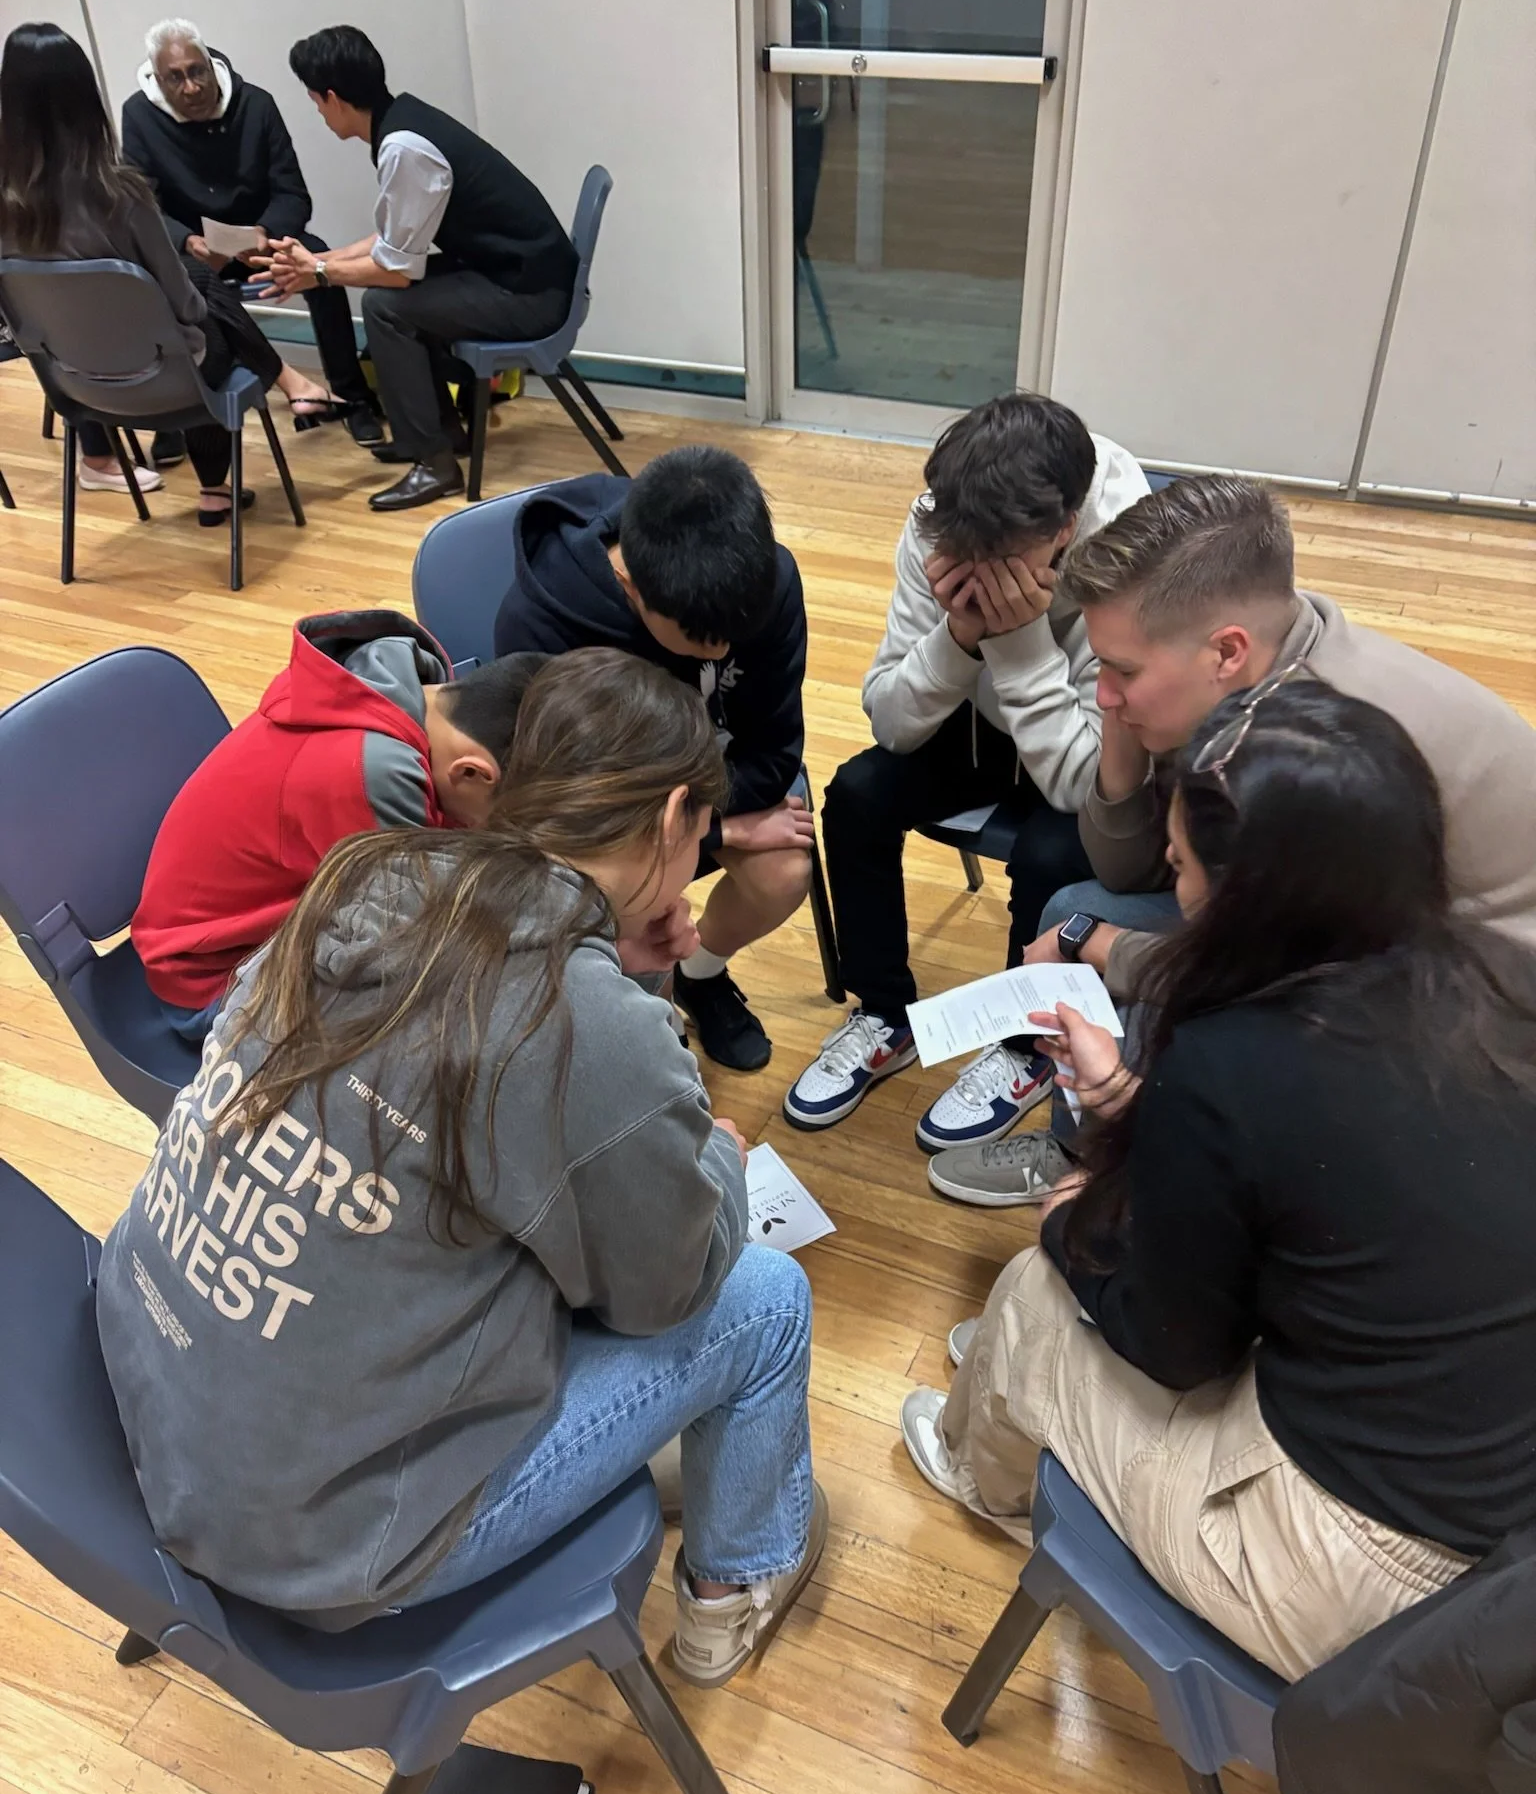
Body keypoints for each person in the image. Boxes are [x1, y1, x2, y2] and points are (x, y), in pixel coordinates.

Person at [98, 649, 826, 1685]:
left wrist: (627, 970)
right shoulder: (591, 1029)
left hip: (153, 1404)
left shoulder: (367, 872)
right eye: (702, 840)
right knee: (764, 1299)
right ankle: (733, 1588)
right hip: (323, 1542)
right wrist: (710, 1148)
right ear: (672, 819)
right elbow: (664, 1291)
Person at [902, 682, 1536, 1682]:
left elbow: (1175, 1346)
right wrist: (1126, 1096)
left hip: (1371, 1576)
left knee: (1031, 1294)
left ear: (1247, 899)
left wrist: (1067, 1223)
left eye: (1184, 864)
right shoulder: (1487, 992)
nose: (1166, 874)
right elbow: (1320, 1167)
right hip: (1495, 1514)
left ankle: (982, 1474)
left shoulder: (1235, 1056)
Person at [929, 471, 1536, 1208]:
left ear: (1226, 651)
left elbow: (1243, 976)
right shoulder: (1248, 666)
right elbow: (1122, 872)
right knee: (1075, 903)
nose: (1102, 692)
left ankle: (1126, 1180)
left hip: (1482, 1021)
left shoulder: (1298, 761)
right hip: (1371, 948)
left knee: (1170, 1005)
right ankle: (1083, 1146)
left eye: (1118, 670)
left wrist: (1095, 942)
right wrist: (1122, 723)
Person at [782, 394, 1149, 1149]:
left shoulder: (1131, 558)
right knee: (856, 796)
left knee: (1055, 850)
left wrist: (1015, 642)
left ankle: (1025, 1045)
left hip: (1085, 750)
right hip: (977, 725)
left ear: (1063, 532)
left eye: (999, 566)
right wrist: (957, 636)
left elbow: (1082, 786)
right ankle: (884, 1013)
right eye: (962, 560)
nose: (976, 575)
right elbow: (891, 718)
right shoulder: (941, 525)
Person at [492, 446, 813, 1071]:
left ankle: (698, 972)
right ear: (631, 589)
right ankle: (637, 1022)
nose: (722, 648)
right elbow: (558, 812)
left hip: (691, 801)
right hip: (603, 828)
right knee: (626, 905)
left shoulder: (762, 585)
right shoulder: (541, 624)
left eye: (736, 632)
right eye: (701, 637)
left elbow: (773, 754)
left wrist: (697, 826)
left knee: (785, 871)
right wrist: (720, 828)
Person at [133, 612, 536, 1037]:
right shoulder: (373, 775)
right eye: (506, 819)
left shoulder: (410, 697)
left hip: (265, 927)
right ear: (471, 773)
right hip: (211, 981)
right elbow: (412, 940)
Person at [0, 21, 333, 519]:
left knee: (192, 297)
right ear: (86, 98)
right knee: (201, 309)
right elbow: (188, 308)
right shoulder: (121, 196)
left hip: (73, 387)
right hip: (165, 379)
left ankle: (278, 386)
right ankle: (220, 479)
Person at [260, 25, 577, 513]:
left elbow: (396, 271)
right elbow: (394, 240)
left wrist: (320, 270)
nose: (319, 114)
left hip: (531, 295)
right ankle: (443, 436)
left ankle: (435, 463)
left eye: (316, 103)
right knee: (398, 301)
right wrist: (319, 261)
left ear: (332, 97)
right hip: (519, 275)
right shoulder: (402, 121)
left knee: (387, 307)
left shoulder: (403, 147)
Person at [121, 18, 381, 449]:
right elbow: (143, 206)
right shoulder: (138, 115)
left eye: (196, 71)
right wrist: (187, 240)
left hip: (261, 243)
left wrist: (265, 232)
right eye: (175, 78)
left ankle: (349, 396)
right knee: (166, 287)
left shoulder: (256, 104)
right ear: (157, 79)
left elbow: (293, 193)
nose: (190, 87)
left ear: (210, 63)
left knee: (320, 265)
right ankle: (185, 416)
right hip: (193, 253)